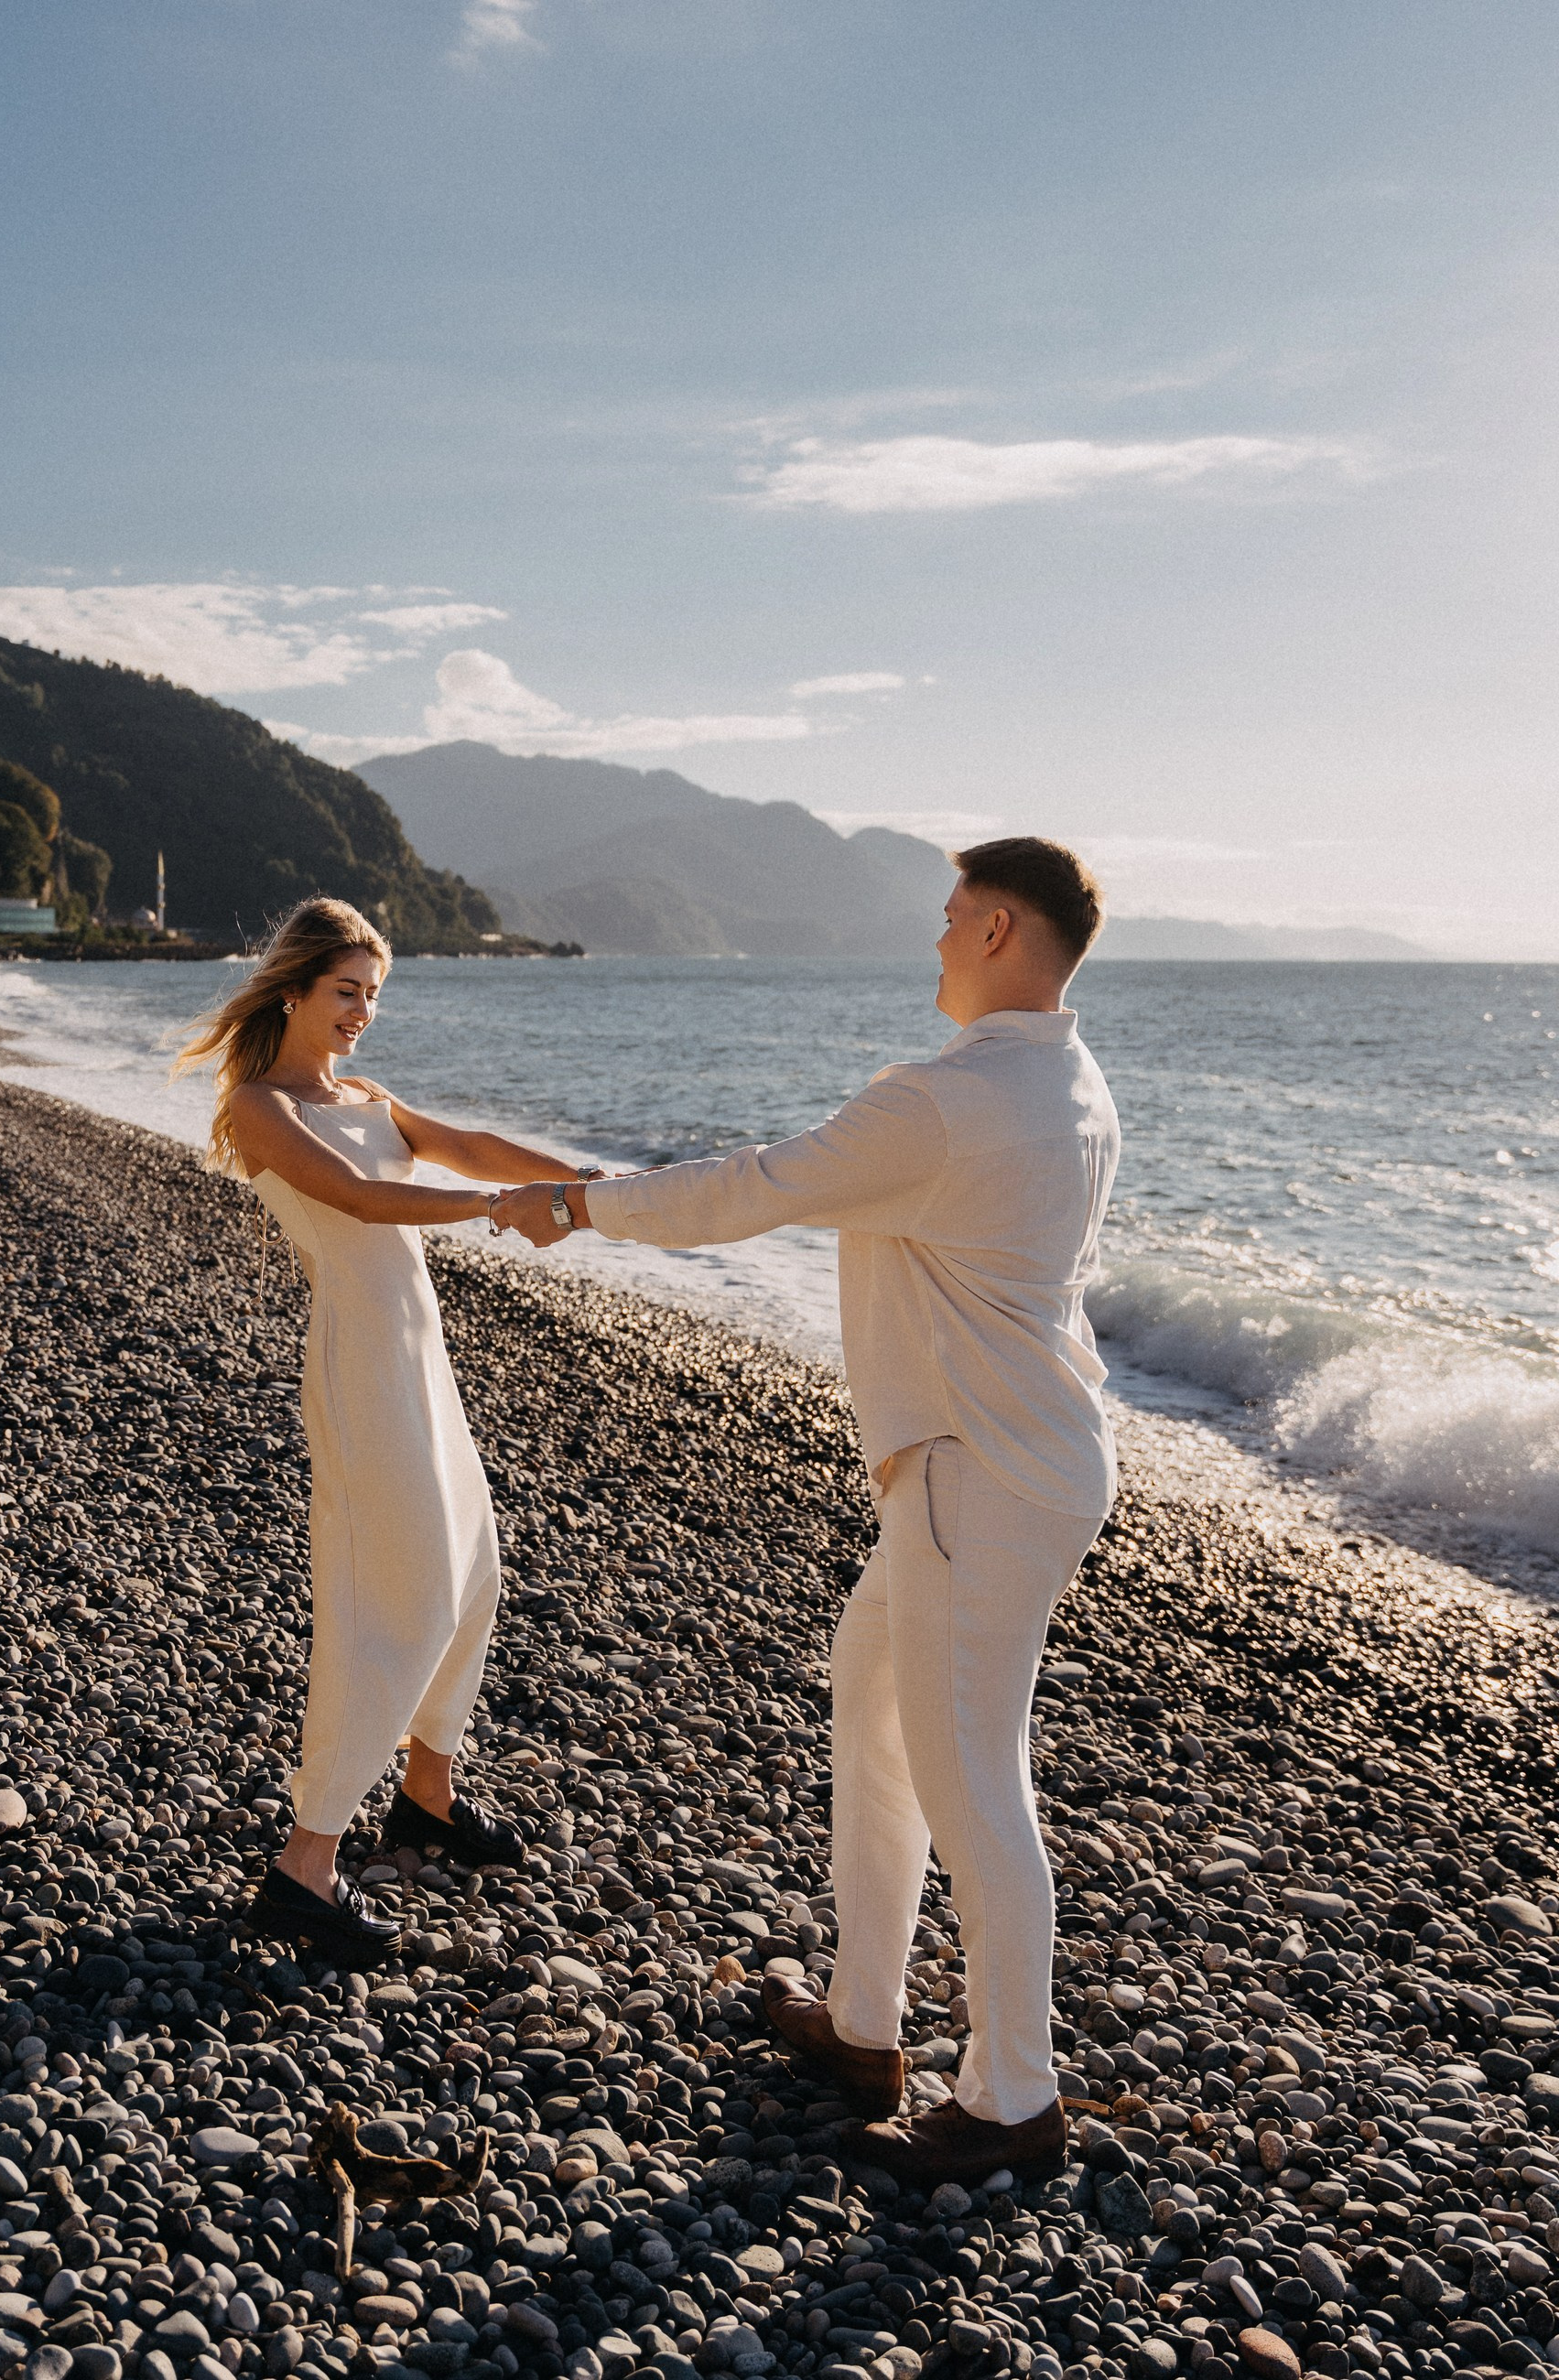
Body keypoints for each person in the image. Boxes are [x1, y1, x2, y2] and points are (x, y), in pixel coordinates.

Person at [492, 839, 1119, 2188]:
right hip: (1011, 1461)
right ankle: (862, 2022)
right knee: (872, 1706)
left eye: (953, 921)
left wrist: (578, 1205)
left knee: (974, 1783)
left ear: (1003, 927)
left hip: (975, 1472)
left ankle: (1014, 2095)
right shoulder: (1070, 1078)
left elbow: (756, 1184)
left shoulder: (947, 1100)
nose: (939, 942)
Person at [176, 895, 601, 1970]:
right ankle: (303, 1865)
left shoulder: (362, 1092)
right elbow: (362, 1201)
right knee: (392, 1601)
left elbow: (458, 1143)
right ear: (294, 988)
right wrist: (500, 1211)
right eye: (345, 992)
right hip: (361, 1366)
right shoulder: (262, 1105)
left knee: (475, 1573)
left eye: (373, 995)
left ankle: (426, 1797)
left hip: (420, 1358)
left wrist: (586, 1184)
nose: (361, 1012)